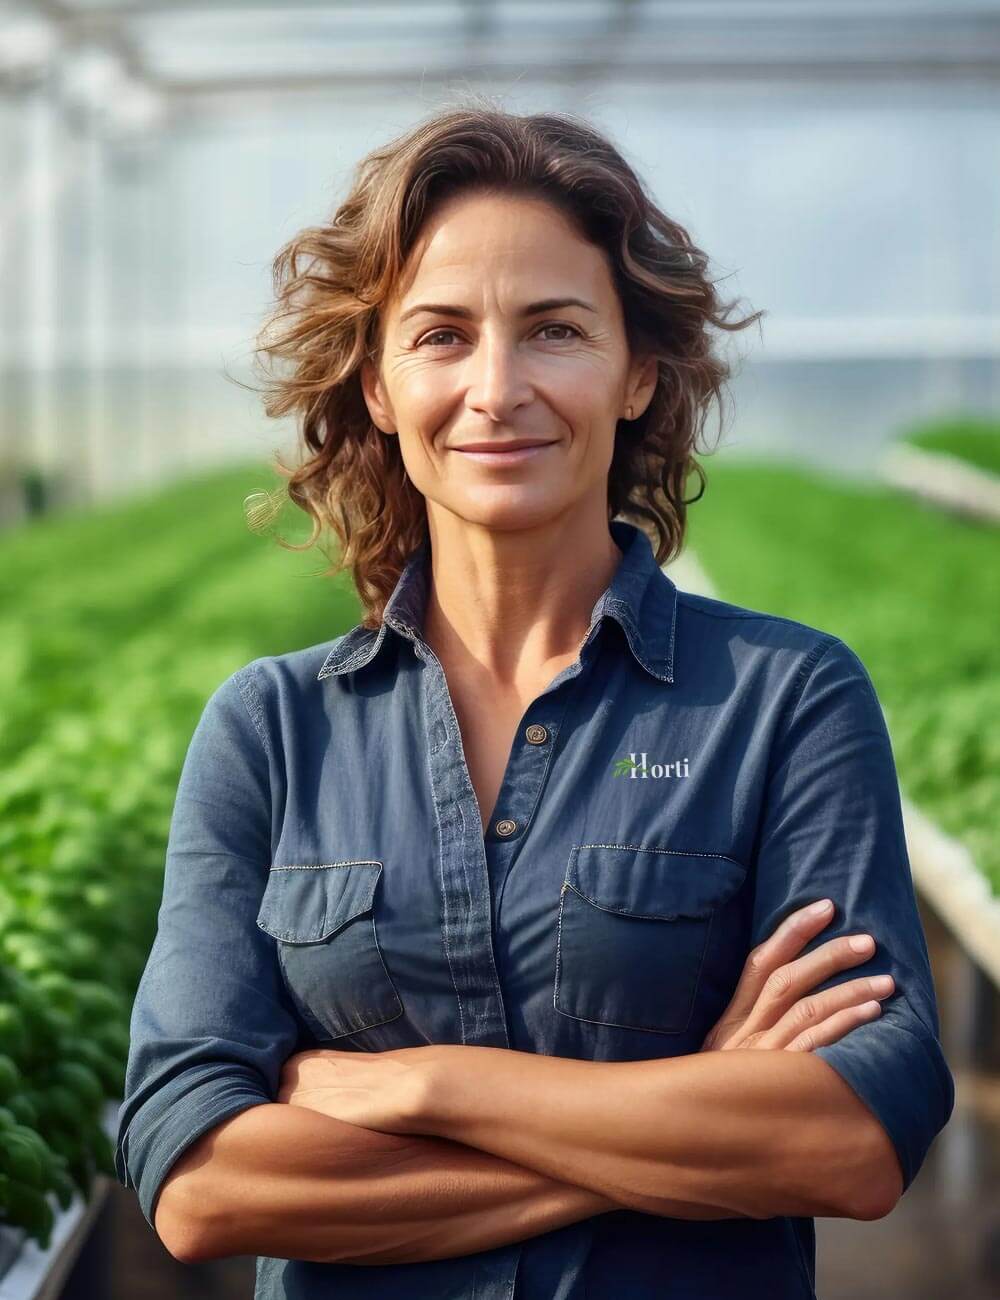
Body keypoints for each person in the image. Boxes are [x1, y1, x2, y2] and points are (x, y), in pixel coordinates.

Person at [114, 102, 954, 1299]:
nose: (496, 387)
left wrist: (430, 1085)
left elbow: (852, 1138)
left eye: (554, 331)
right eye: (441, 336)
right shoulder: (271, 731)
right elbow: (201, 1183)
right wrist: (695, 1102)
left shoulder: (785, 700)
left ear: (636, 376)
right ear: (377, 387)